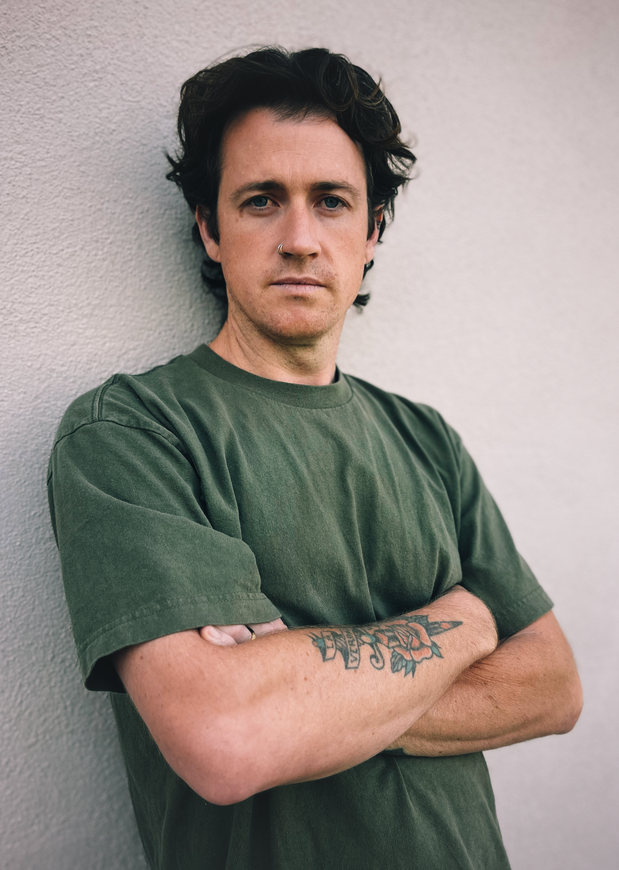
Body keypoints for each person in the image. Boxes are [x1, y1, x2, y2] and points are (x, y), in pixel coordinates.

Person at [47, 47, 582, 870]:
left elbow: (552, 688)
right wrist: (467, 622)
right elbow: (228, 736)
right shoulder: (131, 431)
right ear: (210, 228)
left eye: (330, 201)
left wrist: (304, 699)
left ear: (371, 232)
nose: (299, 239)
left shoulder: (425, 439)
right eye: (261, 200)